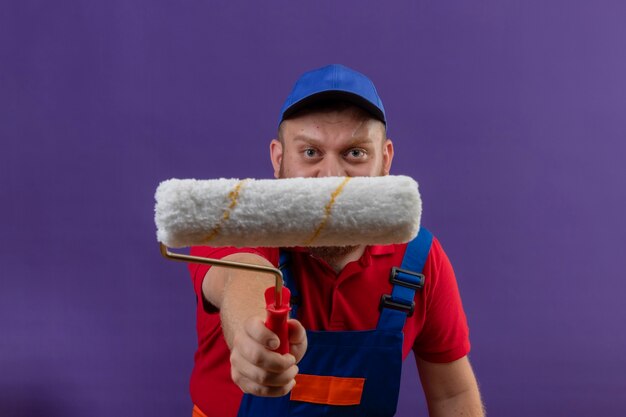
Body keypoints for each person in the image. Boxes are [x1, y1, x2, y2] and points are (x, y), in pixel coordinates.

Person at [187, 64, 484, 417]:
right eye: (310, 152)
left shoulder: (419, 258)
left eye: (355, 153)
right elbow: (244, 274)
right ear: (279, 160)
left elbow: (452, 397)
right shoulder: (233, 226)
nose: (331, 177)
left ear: (385, 161)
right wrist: (253, 338)